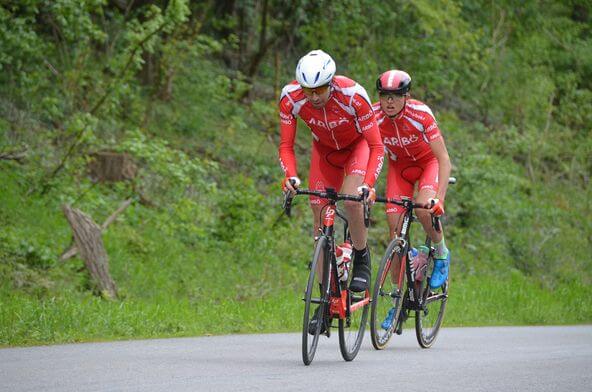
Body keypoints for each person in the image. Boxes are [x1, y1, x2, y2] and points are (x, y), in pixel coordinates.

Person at [278, 49, 384, 308]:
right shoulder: (290, 99)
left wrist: (368, 184)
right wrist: (290, 176)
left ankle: (361, 257)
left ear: (331, 83)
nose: (313, 97)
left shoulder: (353, 95)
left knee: (351, 201)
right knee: (318, 211)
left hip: (357, 148)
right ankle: (326, 299)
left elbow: (377, 146)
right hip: (325, 153)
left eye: (319, 90)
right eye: (308, 90)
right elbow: (285, 146)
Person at [372, 70, 452, 329]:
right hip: (400, 169)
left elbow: (443, 159)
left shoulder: (421, 114)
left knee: (423, 208)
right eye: (385, 96)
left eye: (395, 96)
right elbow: (367, 151)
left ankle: (441, 254)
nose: (390, 102)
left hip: (427, 164)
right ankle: (396, 302)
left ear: (407, 97)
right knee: (395, 234)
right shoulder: (374, 117)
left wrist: (439, 199)